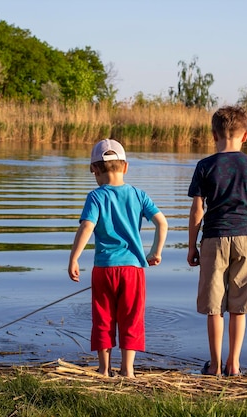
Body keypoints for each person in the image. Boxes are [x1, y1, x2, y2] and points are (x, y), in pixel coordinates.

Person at [187, 105, 247, 377]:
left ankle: (215, 366)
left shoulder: (204, 166)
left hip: (214, 239)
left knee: (214, 308)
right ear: (245, 135)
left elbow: (196, 211)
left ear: (213, 135)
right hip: (246, 239)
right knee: (239, 306)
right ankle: (234, 365)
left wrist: (192, 245)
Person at [68, 138, 168, 378]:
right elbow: (162, 223)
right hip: (133, 269)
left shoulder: (96, 197)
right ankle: (128, 370)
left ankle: (103, 369)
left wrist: (74, 258)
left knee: (103, 318)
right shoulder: (138, 194)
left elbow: (87, 228)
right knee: (131, 318)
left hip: (104, 269)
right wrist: (155, 252)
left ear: (94, 169)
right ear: (125, 167)